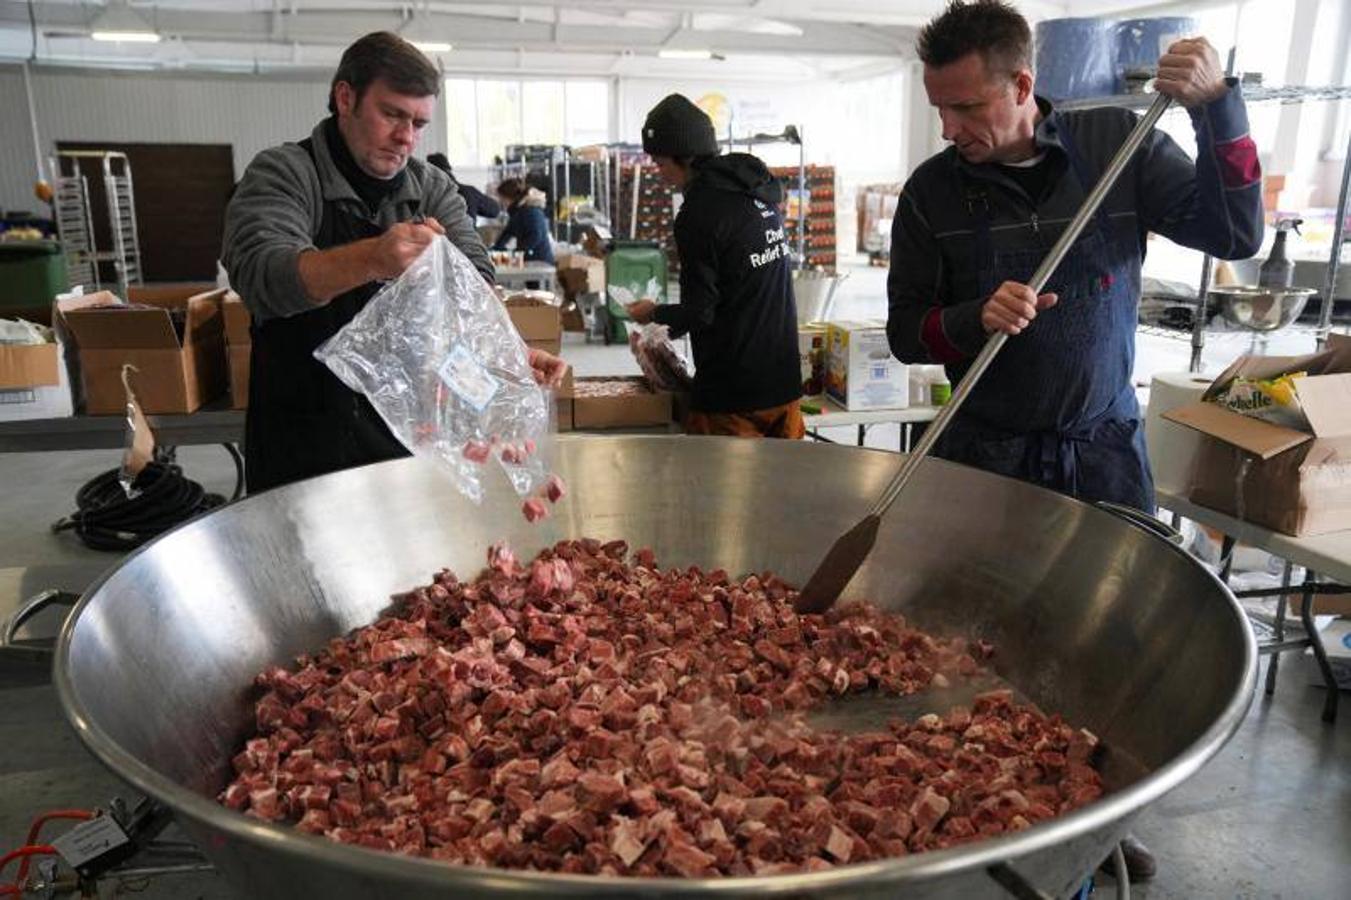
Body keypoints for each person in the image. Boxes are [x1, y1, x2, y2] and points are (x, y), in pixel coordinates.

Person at [886, 0, 1264, 880]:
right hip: (982, 453)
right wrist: (967, 319)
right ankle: (978, 806)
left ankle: (1092, 816)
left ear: (1022, 84)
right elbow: (909, 331)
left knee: (1105, 647)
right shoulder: (932, 192)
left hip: (1097, 449)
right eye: (938, 108)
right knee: (982, 637)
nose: (949, 128)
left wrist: (1218, 108)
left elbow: (1235, 233)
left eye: (966, 107)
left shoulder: (1113, 149)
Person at [223, 32, 564, 493]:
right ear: (345, 98)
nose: (407, 138)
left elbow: (474, 285)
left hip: (406, 438)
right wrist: (372, 258)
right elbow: (262, 275)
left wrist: (508, 355)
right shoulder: (284, 174)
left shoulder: (432, 188)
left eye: (419, 123)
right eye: (392, 115)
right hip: (303, 436)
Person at [625, 94, 803, 438]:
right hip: (784, 385)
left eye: (661, 164)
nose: (660, 174)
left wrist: (654, 315)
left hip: (734, 396)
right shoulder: (757, 192)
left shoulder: (699, 213)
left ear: (686, 157)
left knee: (722, 491)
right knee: (787, 487)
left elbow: (700, 312)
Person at [491, 178, 556, 263]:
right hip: (530, 260)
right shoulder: (518, 211)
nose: (501, 202)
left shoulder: (530, 210)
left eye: (502, 198)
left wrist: (517, 253)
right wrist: (495, 249)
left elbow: (535, 235)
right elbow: (508, 233)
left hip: (539, 261)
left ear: (509, 197)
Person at [426, 152, 501, 220]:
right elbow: (495, 210)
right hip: (467, 234)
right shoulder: (469, 192)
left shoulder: (427, 197)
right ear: (449, 169)